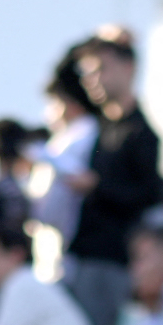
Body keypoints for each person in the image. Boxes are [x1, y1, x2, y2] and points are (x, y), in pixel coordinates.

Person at [66, 32, 163, 325]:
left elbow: (147, 195)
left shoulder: (141, 135)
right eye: (89, 73)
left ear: (128, 68)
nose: (94, 80)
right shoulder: (99, 128)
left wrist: (97, 187)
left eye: (102, 69)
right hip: (86, 256)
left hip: (112, 260)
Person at [29, 52, 98, 271]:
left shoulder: (83, 135)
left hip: (65, 246)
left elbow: (59, 193)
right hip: (50, 244)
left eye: (54, 102)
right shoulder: (64, 138)